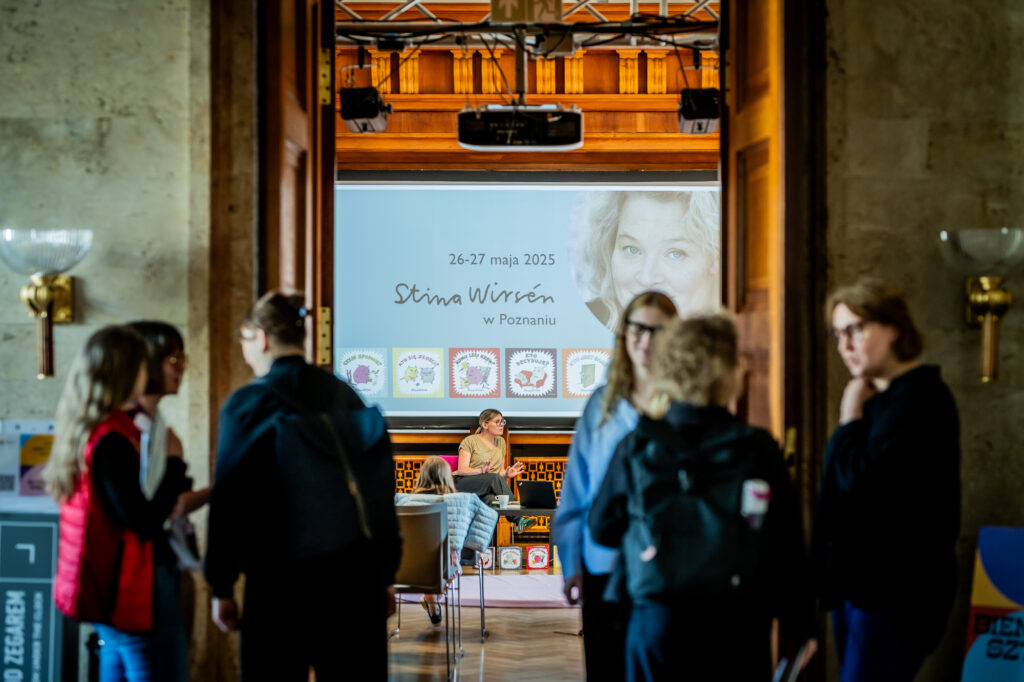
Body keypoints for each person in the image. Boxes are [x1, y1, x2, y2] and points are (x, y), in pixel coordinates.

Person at [589, 313, 816, 681]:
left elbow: (601, 529)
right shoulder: (757, 449)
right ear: (728, 370)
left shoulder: (638, 444)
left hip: (656, 619)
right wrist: (800, 626)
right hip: (738, 625)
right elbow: (786, 544)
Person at [204, 291, 401, 681]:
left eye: (244, 341)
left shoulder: (247, 404)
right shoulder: (345, 395)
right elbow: (379, 492)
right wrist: (385, 574)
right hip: (353, 578)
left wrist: (221, 584)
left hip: (277, 582)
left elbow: (228, 498)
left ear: (261, 338)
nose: (245, 352)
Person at [810, 279, 961, 682]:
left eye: (856, 329)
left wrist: (847, 417)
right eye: (838, 333)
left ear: (893, 328)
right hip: (858, 590)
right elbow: (837, 494)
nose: (845, 345)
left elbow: (861, 487)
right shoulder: (878, 399)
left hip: (895, 596)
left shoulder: (921, 399)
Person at [46, 326, 190, 682]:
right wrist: (174, 463)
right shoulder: (112, 440)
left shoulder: (92, 429)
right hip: (131, 587)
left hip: (109, 583)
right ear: (129, 371)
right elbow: (143, 520)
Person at [551, 290, 677, 682]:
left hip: (666, 569)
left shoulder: (684, 402)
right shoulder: (601, 404)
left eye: (658, 330)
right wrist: (571, 564)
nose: (646, 339)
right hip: (603, 562)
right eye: (637, 328)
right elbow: (576, 490)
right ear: (624, 335)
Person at [568, 190, 720, 330]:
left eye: (676, 254)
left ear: (716, 257)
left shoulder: (738, 335)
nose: (646, 278)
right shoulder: (576, 325)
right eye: (632, 250)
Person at [453, 409, 531, 530]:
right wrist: (481, 471)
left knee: (491, 500)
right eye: (497, 422)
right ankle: (519, 519)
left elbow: (499, 476)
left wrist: (506, 475)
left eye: (503, 421)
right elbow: (462, 469)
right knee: (493, 478)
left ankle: (485, 545)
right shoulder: (470, 441)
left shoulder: (501, 442)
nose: (502, 425)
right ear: (485, 425)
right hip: (461, 483)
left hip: (485, 486)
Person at [409, 456, 458, 625]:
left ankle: (432, 601)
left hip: (410, 565)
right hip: (444, 564)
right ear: (447, 476)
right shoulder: (456, 502)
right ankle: (433, 600)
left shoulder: (405, 501)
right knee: (449, 560)